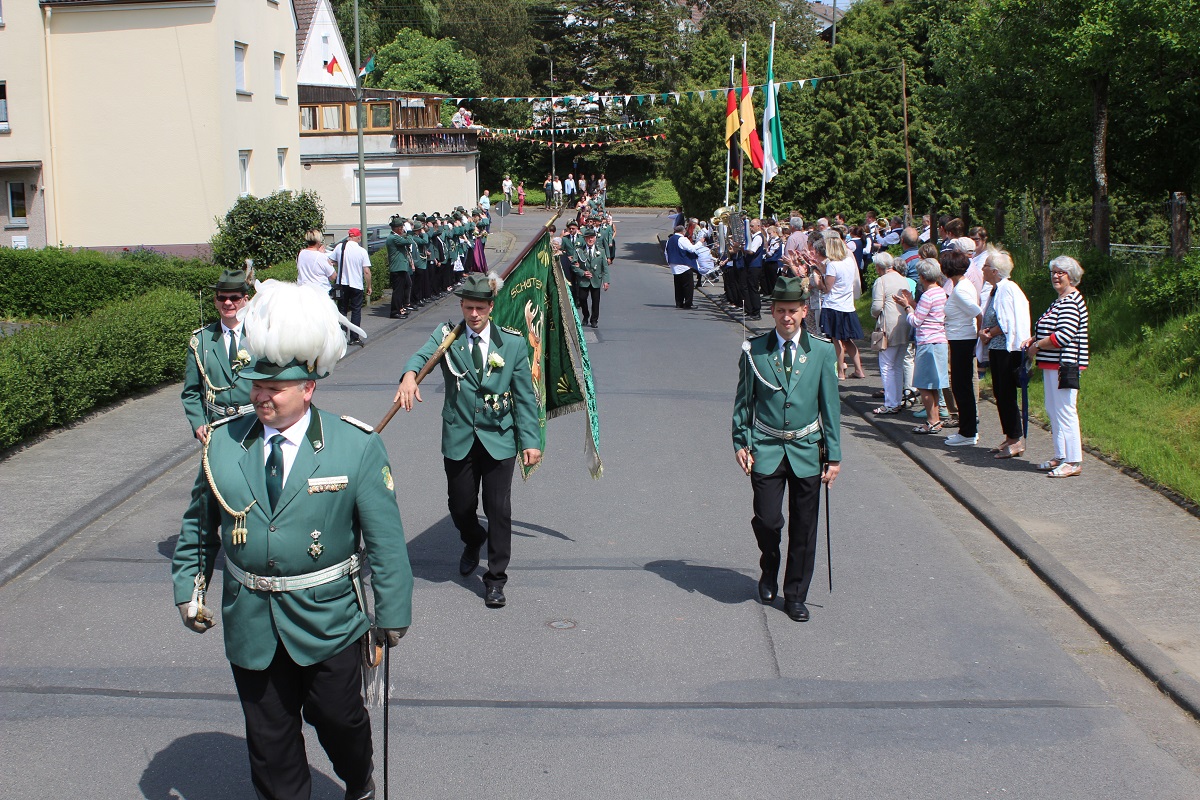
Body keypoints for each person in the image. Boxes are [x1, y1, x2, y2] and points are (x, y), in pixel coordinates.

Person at [172, 279, 411, 800]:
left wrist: (392, 612)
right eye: (256, 386)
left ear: (308, 388)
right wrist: (190, 590)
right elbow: (198, 526)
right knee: (271, 745)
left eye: (273, 389)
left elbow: (386, 541)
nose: (260, 396)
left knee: (341, 721)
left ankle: (359, 779)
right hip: (251, 621)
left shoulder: (355, 447)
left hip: (329, 617)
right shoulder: (223, 446)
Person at [393, 274, 541, 608]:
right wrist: (408, 377)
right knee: (460, 506)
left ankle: (495, 579)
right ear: (461, 306)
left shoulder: (513, 343)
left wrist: (531, 441)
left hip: (499, 437)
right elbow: (421, 357)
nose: (473, 314)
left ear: (491, 307)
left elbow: (524, 396)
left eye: (479, 308)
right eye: (467, 307)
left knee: (498, 508)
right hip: (459, 434)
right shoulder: (447, 337)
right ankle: (473, 539)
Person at [732, 276, 841, 623]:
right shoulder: (755, 350)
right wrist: (740, 441)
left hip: (808, 448)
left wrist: (834, 455)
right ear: (773, 311)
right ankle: (770, 565)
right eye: (781, 311)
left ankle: (795, 594)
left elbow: (830, 407)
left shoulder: (822, 352)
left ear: (804, 310)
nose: (787, 317)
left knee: (805, 527)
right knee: (767, 519)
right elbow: (743, 402)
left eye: (793, 311)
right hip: (765, 446)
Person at [1027, 256, 1089, 477]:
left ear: (1071, 276)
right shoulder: (1060, 299)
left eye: (1060, 272)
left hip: (1065, 364)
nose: (1055, 276)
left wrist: (1036, 346)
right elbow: (1051, 327)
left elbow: (1063, 336)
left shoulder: (1072, 300)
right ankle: (1060, 455)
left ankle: (1073, 461)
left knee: (1065, 411)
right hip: (1052, 364)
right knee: (1053, 410)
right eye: (1053, 272)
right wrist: (1034, 337)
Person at [181, 269, 254, 443]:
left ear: (246, 300)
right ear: (215, 301)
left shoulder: (259, 335)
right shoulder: (201, 341)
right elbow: (191, 391)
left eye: (234, 298)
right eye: (222, 298)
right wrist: (198, 423)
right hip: (217, 427)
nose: (228, 303)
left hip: (255, 425)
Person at [979, 247, 1031, 459]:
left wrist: (988, 333)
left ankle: (1016, 440)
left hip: (1008, 350)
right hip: (998, 348)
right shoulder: (997, 289)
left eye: (985, 266)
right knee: (1000, 393)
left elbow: (1007, 322)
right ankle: (1010, 436)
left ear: (994, 271)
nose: (982, 269)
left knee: (1007, 394)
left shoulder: (1006, 289)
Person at [895, 258, 949, 432]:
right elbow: (927, 313)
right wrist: (911, 303)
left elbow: (916, 321)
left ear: (923, 277)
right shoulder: (941, 292)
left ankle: (932, 421)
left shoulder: (927, 295)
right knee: (934, 384)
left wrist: (906, 308)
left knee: (924, 385)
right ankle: (935, 419)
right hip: (940, 340)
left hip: (927, 342)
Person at [940, 249, 983, 445]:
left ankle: (968, 432)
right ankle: (966, 430)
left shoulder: (961, 289)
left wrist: (979, 340)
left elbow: (978, 313)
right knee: (960, 385)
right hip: (959, 339)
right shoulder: (960, 286)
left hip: (963, 341)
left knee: (962, 386)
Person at [812, 233, 865, 380]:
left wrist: (819, 277)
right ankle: (859, 369)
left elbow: (827, 288)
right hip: (848, 306)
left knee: (837, 341)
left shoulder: (833, 265)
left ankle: (841, 372)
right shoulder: (848, 262)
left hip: (834, 306)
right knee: (848, 340)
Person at [868, 253, 911, 415]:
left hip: (888, 326)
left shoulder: (881, 281)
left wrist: (874, 315)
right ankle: (896, 400)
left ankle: (890, 403)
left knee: (886, 365)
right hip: (905, 323)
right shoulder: (903, 279)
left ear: (879, 267)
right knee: (898, 364)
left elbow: (877, 307)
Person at [331, 228, 372, 347]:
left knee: (342, 310)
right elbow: (366, 271)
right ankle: (354, 338)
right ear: (358, 237)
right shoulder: (361, 251)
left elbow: (331, 262)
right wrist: (369, 286)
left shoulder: (339, 247)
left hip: (342, 284)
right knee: (356, 311)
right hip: (356, 285)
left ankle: (342, 335)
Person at [574, 226, 610, 328]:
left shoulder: (601, 251)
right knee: (582, 299)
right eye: (588, 237)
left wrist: (606, 281)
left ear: (595, 238)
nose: (590, 239)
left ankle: (594, 320)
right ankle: (586, 316)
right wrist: (582, 272)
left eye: (592, 237)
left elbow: (605, 267)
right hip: (584, 280)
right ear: (585, 239)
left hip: (596, 279)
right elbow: (574, 265)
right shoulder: (579, 250)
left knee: (596, 301)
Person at [385, 216, 417, 319]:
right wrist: (409, 232)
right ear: (398, 228)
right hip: (397, 268)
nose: (403, 230)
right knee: (398, 291)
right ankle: (395, 311)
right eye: (402, 228)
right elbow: (408, 241)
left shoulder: (395, 237)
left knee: (406, 285)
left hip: (401, 267)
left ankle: (400, 308)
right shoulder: (394, 238)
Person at [665, 224, 702, 309]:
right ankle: (688, 304)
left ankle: (679, 303)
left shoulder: (669, 240)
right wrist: (700, 242)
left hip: (674, 265)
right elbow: (692, 249)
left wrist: (669, 263)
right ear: (683, 231)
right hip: (684, 265)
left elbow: (666, 253)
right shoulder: (682, 239)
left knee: (678, 286)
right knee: (688, 286)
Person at [296, 229, 335, 294]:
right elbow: (333, 276)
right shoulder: (321, 256)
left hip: (303, 290)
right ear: (318, 241)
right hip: (320, 292)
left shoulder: (301, 253)